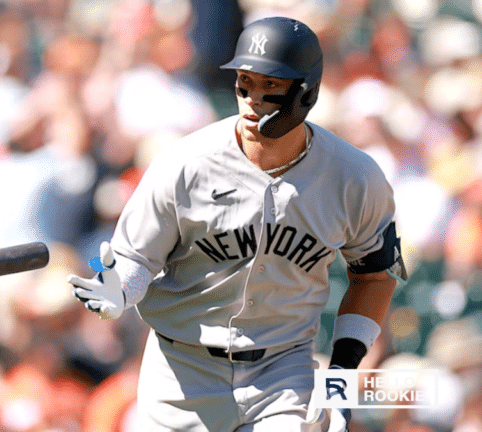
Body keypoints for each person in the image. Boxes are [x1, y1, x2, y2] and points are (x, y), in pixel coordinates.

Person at [67, 16, 407, 432]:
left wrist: (342, 376)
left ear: (307, 93)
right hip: (181, 370)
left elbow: (374, 276)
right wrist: (118, 289)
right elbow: (135, 259)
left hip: (282, 371)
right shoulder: (184, 164)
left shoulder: (354, 177)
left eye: (270, 86)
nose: (252, 99)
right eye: (245, 82)